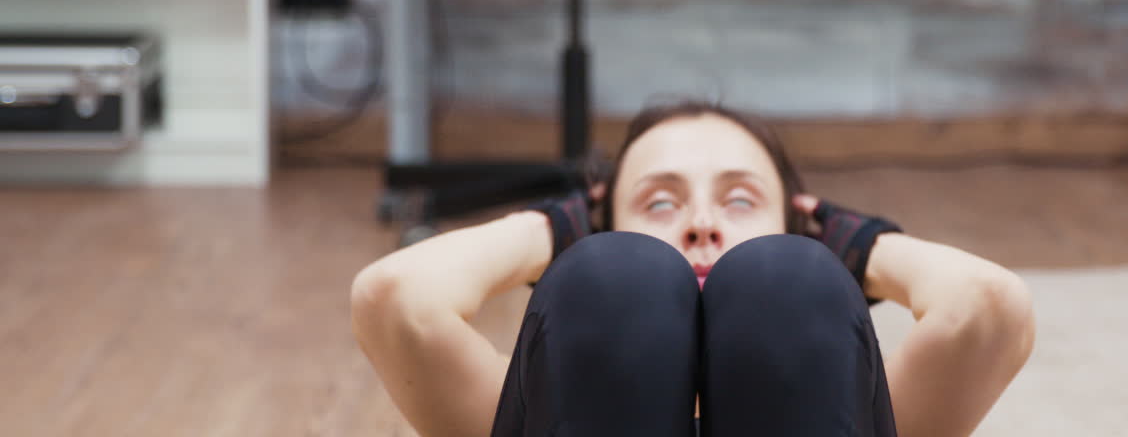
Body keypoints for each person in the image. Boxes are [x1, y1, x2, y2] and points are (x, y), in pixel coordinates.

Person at [351, 100, 1035, 437]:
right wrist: (565, 230)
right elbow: (397, 298)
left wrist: (833, 245)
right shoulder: (546, 393)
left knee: (784, 281)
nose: (701, 221)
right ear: (599, 221)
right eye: (658, 201)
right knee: (618, 279)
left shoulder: (850, 404)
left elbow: (988, 307)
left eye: (741, 199)